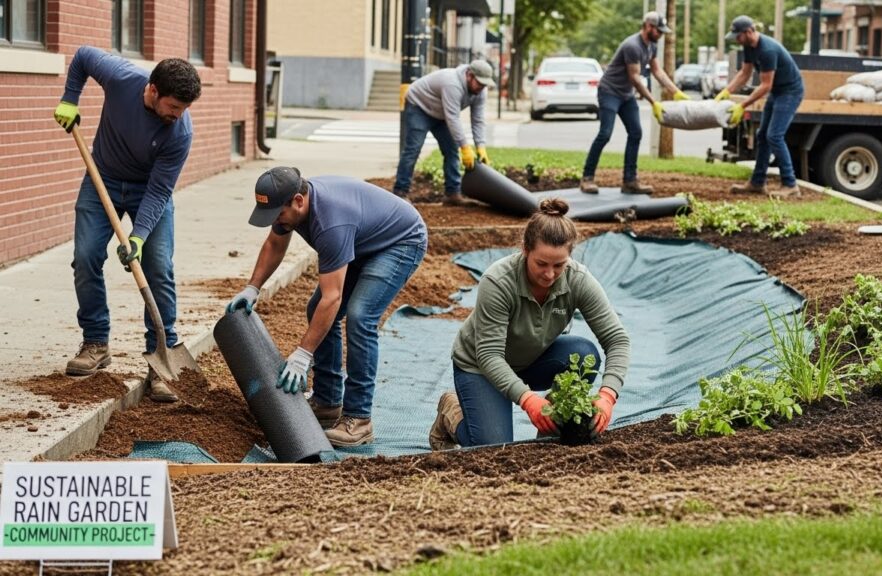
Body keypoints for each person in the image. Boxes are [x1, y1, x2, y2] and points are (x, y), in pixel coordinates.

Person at [228, 167, 427, 447]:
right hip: (361, 240)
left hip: (399, 242)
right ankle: (327, 401)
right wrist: (253, 287)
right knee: (316, 311)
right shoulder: (289, 206)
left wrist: (303, 355)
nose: (275, 221)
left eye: (277, 214)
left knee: (360, 316)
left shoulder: (331, 224)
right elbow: (275, 244)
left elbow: (332, 298)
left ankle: (359, 419)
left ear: (298, 201)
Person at [54, 46, 201, 403]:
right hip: (101, 178)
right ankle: (95, 342)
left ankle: (161, 357)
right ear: (153, 90)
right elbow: (83, 56)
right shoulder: (121, 78)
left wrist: (138, 237)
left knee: (158, 267)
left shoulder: (179, 133)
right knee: (86, 256)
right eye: (174, 106)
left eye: (184, 109)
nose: (178, 115)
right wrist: (70, 99)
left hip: (147, 190)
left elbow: (160, 191)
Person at [429, 198, 631, 449]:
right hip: (481, 366)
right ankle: (450, 412)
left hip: (532, 359)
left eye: (559, 265)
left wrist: (608, 395)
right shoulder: (499, 281)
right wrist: (528, 400)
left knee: (582, 354)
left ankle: (549, 433)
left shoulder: (577, 279)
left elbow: (617, 340)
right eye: (541, 264)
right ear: (525, 249)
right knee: (492, 447)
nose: (549, 274)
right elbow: (489, 355)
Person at [580, 11, 689, 195]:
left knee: (636, 132)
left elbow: (657, 71)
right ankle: (587, 178)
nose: (661, 35)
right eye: (659, 31)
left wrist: (676, 92)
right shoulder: (632, 46)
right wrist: (654, 102)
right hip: (610, 92)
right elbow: (635, 79)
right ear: (648, 26)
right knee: (605, 134)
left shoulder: (652, 45)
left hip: (626, 95)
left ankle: (630, 181)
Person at [715, 16, 804, 198]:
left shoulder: (767, 50)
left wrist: (742, 106)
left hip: (790, 92)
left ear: (749, 32)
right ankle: (757, 182)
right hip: (777, 92)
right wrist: (727, 90)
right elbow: (745, 73)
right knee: (762, 135)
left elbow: (765, 85)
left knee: (774, 136)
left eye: (738, 36)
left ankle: (790, 184)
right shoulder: (749, 46)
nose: (737, 40)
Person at [392, 59, 495, 206]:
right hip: (419, 107)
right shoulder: (452, 83)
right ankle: (400, 192)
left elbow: (477, 120)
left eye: (485, 84)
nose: (482, 87)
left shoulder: (480, 91)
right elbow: (453, 118)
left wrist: (480, 146)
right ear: (469, 75)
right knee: (413, 149)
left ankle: (452, 194)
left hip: (441, 113)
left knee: (451, 150)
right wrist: (465, 147)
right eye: (479, 83)